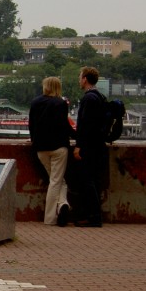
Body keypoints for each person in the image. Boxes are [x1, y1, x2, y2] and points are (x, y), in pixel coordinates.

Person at [29, 76, 75, 226]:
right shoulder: (61, 103)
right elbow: (64, 126)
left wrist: (33, 140)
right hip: (59, 147)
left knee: (57, 180)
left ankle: (62, 205)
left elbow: (31, 125)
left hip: (41, 148)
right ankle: (50, 218)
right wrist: (78, 136)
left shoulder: (35, 102)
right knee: (56, 181)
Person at [72, 66, 108, 227]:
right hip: (98, 145)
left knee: (87, 181)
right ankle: (93, 216)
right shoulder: (100, 96)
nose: (79, 79)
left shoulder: (88, 98)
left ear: (85, 79)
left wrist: (79, 146)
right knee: (92, 180)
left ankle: (93, 217)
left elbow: (85, 125)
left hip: (89, 147)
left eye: (80, 77)